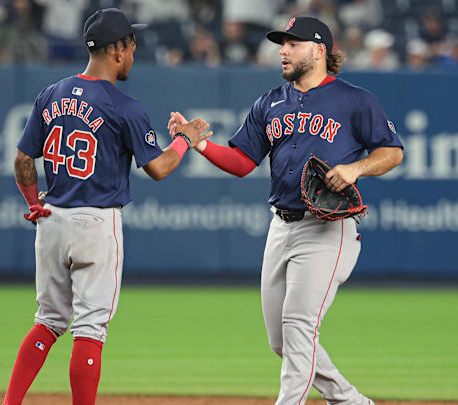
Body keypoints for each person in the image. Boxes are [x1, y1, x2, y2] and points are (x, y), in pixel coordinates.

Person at [169, 16, 403, 405]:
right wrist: (200, 145)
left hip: (328, 229)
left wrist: (355, 168)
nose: (283, 50)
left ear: (320, 50)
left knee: (298, 327)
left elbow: (392, 151)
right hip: (281, 226)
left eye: (293, 43)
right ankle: (350, 401)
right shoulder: (270, 102)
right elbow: (244, 162)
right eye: (282, 43)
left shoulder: (355, 100)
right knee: (283, 341)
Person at [4, 8, 212, 405]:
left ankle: (9, 403)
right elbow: (160, 169)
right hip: (95, 223)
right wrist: (185, 138)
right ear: (116, 51)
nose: (133, 53)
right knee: (90, 329)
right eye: (131, 46)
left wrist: (33, 203)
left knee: (47, 322)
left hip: (51, 220)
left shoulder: (51, 94)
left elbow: (22, 161)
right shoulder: (124, 106)